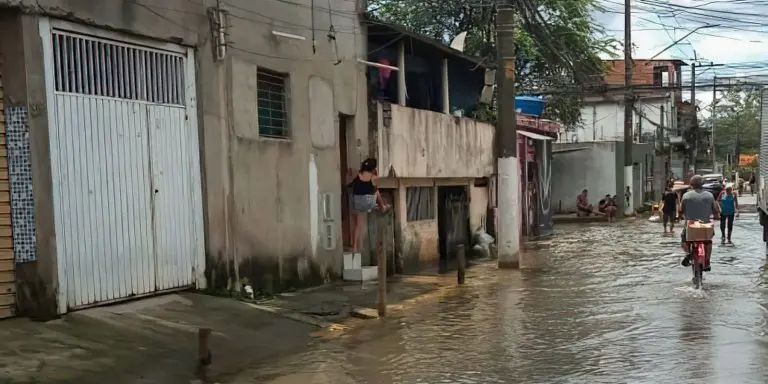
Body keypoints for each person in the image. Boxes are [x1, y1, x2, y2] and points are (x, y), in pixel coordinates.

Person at [680, 175, 720, 272]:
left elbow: (681, 210)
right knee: (708, 241)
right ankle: (707, 261)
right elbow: (715, 210)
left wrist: (680, 216)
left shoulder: (686, 196)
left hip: (690, 225)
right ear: (702, 184)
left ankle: (688, 253)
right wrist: (716, 216)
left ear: (691, 184)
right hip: (705, 226)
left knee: (683, 239)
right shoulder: (710, 195)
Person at [347, 158, 389, 251]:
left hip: (354, 200)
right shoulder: (372, 177)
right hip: (364, 202)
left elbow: (351, 184)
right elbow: (376, 188)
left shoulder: (359, 174)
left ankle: (354, 246)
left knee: (356, 224)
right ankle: (381, 207)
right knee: (376, 193)